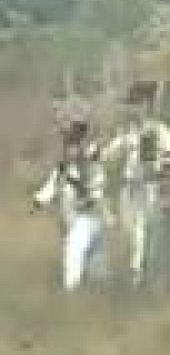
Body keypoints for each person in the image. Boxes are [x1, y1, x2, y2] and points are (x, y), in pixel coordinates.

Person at [101, 81, 170, 284]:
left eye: (136, 104)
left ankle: (138, 277)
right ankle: (138, 273)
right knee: (130, 233)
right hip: (128, 188)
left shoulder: (159, 131)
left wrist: (162, 167)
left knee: (142, 233)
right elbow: (109, 154)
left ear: (146, 105)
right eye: (131, 104)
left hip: (149, 188)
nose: (132, 109)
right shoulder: (128, 132)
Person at [32, 116, 108, 291]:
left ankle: (74, 294)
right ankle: (95, 297)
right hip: (74, 221)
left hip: (86, 219)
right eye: (67, 143)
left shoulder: (89, 166)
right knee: (94, 263)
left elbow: (97, 187)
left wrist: (89, 196)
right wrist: (39, 200)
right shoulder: (63, 168)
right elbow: (51, 186)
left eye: (72, 143)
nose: (69, 148)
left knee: (75, 256)